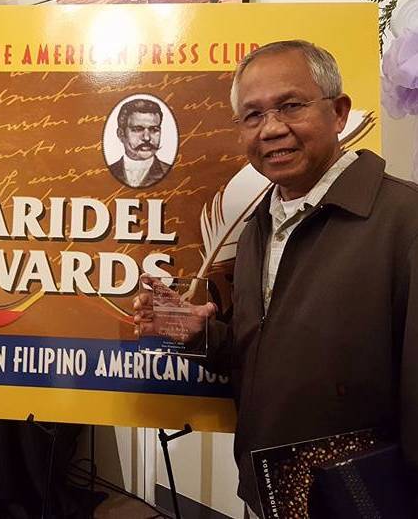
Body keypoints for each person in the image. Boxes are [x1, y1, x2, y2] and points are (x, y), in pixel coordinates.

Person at [134, 40, 418, 517]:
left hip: (365, 499)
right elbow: (266, 357)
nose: (271, 129)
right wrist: (202, 332)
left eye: (291, 106)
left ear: (339, 112)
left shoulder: (405, 221)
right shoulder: (258, 227)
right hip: (267, 490)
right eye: (252, 116)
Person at [108, 97, 172, 188]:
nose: (146, 138)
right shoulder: (108, 171)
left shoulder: (171, 172)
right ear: (121, 134)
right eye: (137, 130)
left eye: (154, 130)